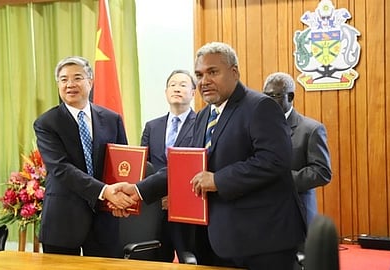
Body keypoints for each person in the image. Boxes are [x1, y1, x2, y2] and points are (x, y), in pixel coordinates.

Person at [113, 42, 306, 269]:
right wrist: (137, 190)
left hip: (263, 240)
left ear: (234, 72)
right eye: (199, 74)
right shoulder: (203, 116)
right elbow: (185, 166)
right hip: (216, 239)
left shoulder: (261, 107)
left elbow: (274, 161)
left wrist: (218, 179)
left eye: (213, 72)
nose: (204, 81)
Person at [33, 56, 136, 257]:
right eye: (63, 80)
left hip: (104, 220)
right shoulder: (46, 123)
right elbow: (61, 168)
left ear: (90, 81)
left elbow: (121, 162)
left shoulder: (111, 119)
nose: (70, 84)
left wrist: (121, 198)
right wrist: (104, 191)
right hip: (63, 220)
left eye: (77, 78)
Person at [140, 69, 197, 262]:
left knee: (189, 258)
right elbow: (144, 166)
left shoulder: (201, 124)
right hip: (156, 208)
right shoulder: (152, 126)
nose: (177, 89)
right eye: (172, 85)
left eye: (183, 85)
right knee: (156, 260)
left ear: (193, 93)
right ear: (166, 92)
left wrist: (175, 196)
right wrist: (159, 195)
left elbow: (198, 165)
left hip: (188, 209)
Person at [262, 72, 332, 227]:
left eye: (276, 96)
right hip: (265, 216)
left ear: (291, 97)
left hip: (297, 214)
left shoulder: (311, 129)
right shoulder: (258, 128)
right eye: (266, 96)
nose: (269, 101)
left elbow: (322, 172)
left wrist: (282, 180)